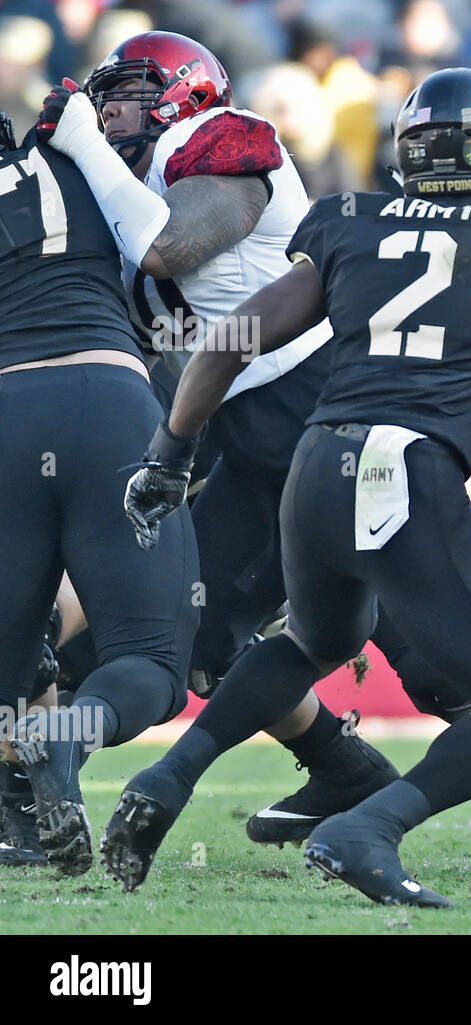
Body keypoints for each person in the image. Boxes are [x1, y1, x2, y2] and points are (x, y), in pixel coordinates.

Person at [43, 32, 471, 880]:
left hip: (311, 401)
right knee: (206, 638)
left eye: (129, 91)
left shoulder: (225, 139)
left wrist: (84, 142)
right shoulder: (105, 184)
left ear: (185, 96)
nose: (109, 109)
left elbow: (173, 248)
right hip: (243, 424)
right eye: (105, 95)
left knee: (430, 657)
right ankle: (345, 772)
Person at [0, 105, 200, 876]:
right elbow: (166, 247)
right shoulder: (84, 158)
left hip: (9, 409)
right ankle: (72, 730)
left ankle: (17, 809)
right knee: (149, 658)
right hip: (112, 399)